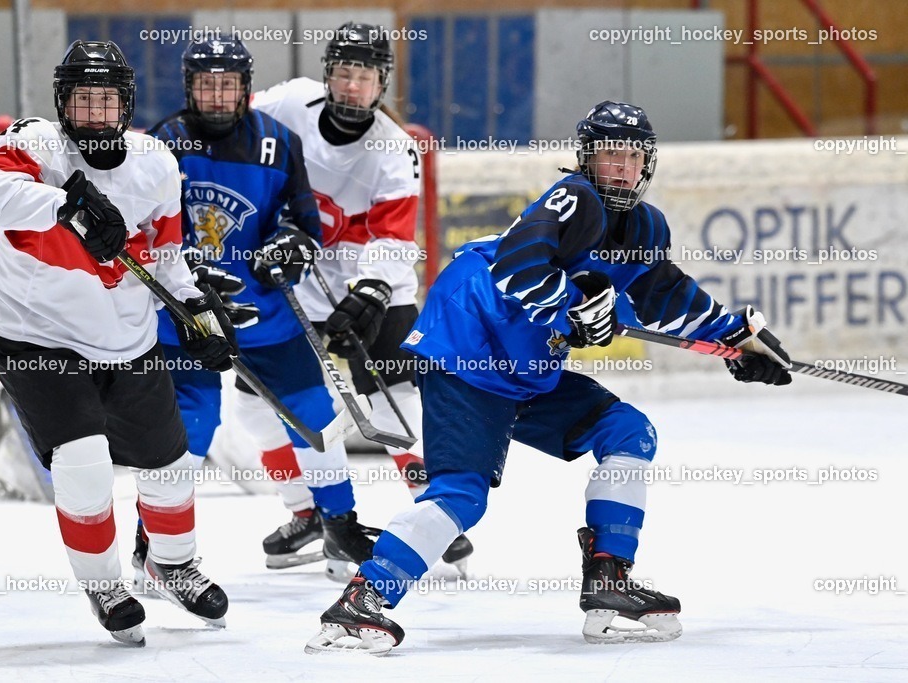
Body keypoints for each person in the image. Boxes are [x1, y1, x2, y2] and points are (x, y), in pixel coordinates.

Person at [305, 101, 793, 654]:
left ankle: (608, 578)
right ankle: (362, 601)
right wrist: (573, 309)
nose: (624, 169)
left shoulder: (646, 226)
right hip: (471, 349)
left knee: (629, 433)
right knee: (463, 494)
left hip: (529, 369)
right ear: (587, 158)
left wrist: (737, 337)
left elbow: (665, 294)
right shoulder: (575, 199)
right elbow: (518, 264)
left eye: (634, 157)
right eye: (611, 155)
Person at [0, 40, 235, 647]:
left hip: (128, 341)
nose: (93, 113)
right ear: (63, 103)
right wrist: (68, 204)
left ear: (126, 105)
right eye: (82, 100)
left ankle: (172, 563)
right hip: (38, 340)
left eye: (106, 100)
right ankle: (103, 583)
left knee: (168, 465)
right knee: (83, 461)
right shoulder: (36, 143)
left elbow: (168, 260)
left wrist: (198, 313)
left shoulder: (156, 163)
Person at [134, 34, 383, 576]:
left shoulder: (278, 141)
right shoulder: (161, 144)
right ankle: (151, 539)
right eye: (207, 85)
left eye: (228, 85)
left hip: (264, 314)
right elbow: (142, 232)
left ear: (246, 88)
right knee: (188, 428)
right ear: (189, 88)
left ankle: (339, 527)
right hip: (187, 319)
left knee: (315, 416)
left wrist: (291, 243)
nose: (218, 96)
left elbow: (304, 222)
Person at [251, 21, 472, 575]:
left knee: (392, 402)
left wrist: (370, 292)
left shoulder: (395, 151)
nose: (352, 86)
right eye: (344, 74)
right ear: (327, 75)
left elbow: (394, 240)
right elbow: (231, 131)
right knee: (256, 407)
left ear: (381, 85)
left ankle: (434, 514)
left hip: (376, 285)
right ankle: (307, 513)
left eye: (365, 77)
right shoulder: (288, 104)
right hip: (295, 277)